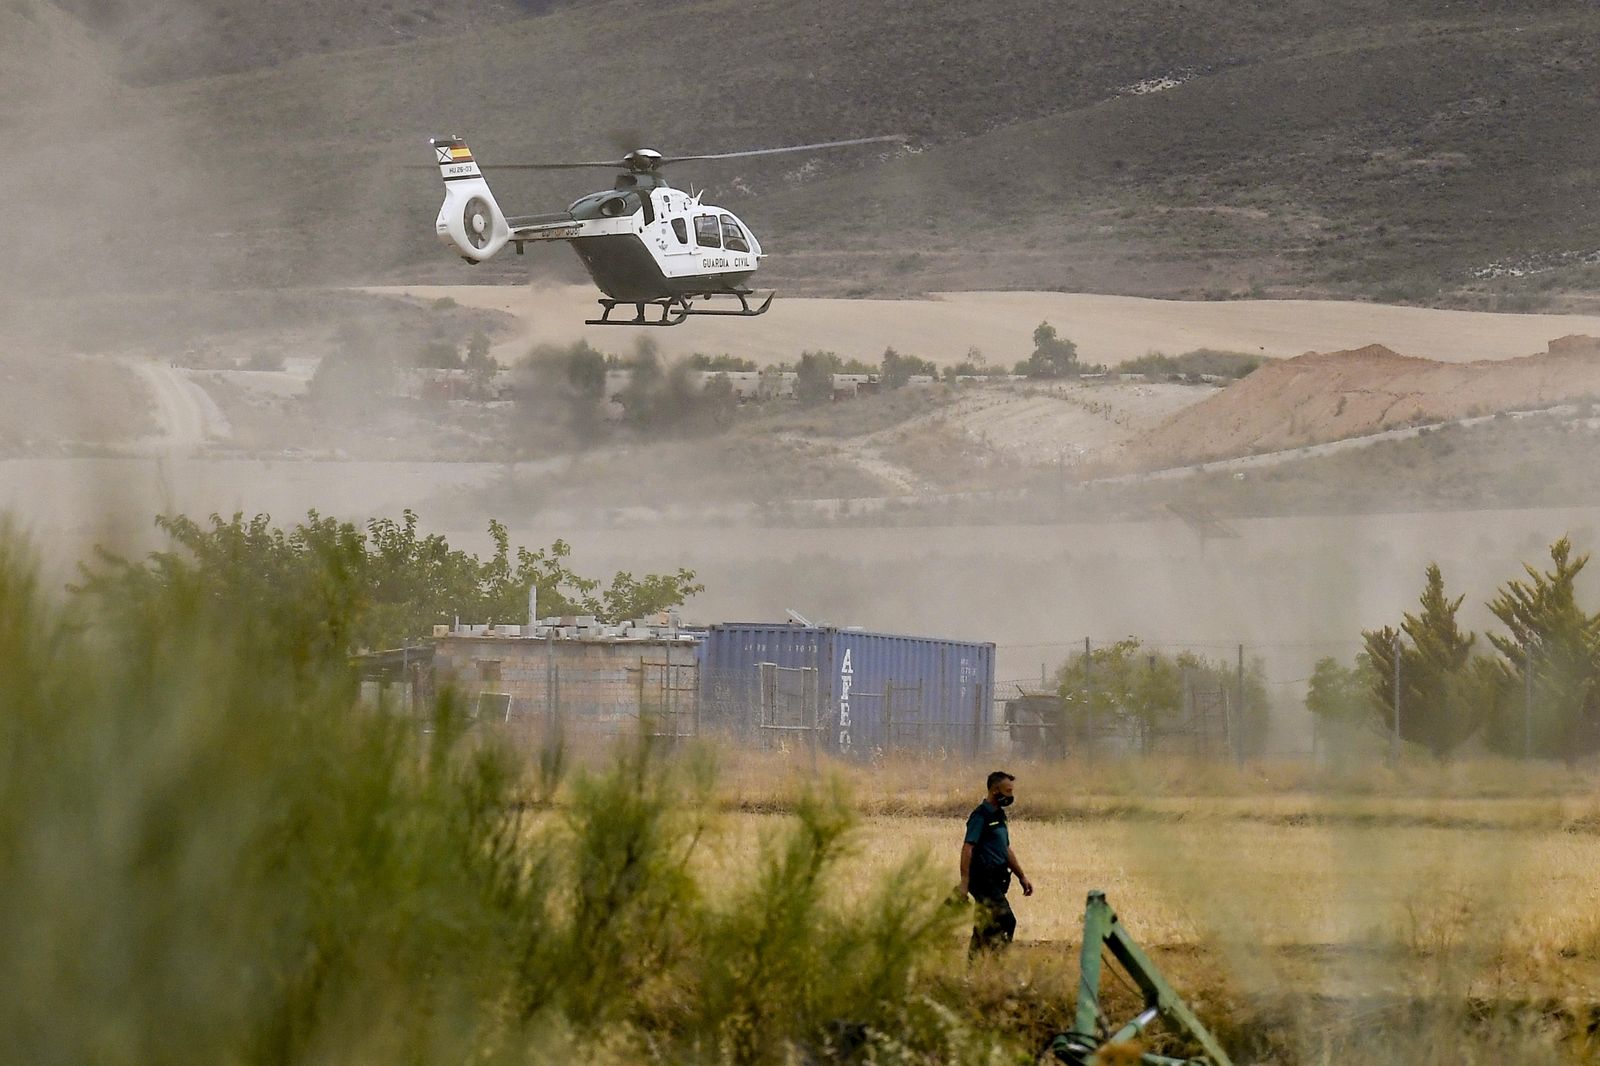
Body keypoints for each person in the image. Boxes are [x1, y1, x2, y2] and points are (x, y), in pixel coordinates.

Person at [958, 770, 1033, 954]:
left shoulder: (999, 815)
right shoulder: (980, 815)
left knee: (984, 926)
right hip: (982, 879)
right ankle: (998, 965)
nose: (1010, 796)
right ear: (994, 790)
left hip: (997, 879)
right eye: (1007, 791)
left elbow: (1005, 848)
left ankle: (974, 971)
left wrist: (1021, 876)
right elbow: (968, 848)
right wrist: (964, 883)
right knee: (1006, 920)